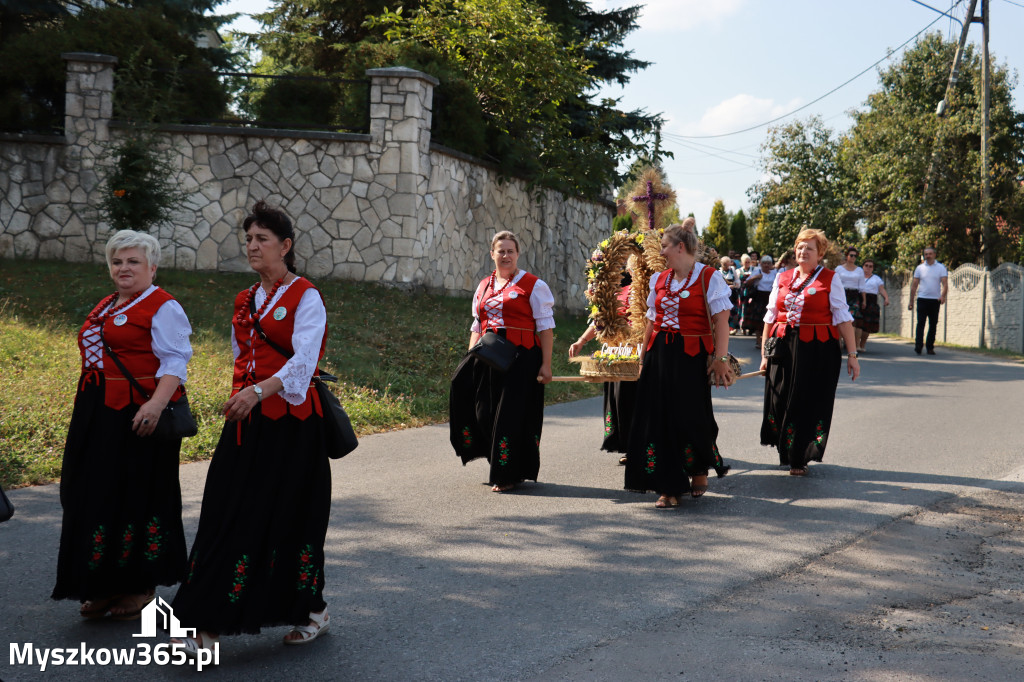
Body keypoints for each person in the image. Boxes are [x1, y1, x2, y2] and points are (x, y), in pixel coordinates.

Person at [171, 201, 332, 653]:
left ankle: (311, 609)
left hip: (293, 427)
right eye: (249, 239)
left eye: (262, 239)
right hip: (245, 424)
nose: (253, 246)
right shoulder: (245, 299)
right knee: (227, 513)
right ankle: (207, 621)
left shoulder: (307, 296)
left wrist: (258, 391)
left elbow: (305, 362)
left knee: (291, 518)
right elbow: (241, 355)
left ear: (286, 246)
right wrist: (246, 393)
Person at [52, 230, 192, 620]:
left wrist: (155, 404)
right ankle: (100, 584)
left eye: (133, 261)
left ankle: (139, 587)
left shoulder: (163, 306)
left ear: (152, 267)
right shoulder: (108, 304)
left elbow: (176, 360)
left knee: (137, 496)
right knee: (92, 493)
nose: (124, 268)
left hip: (138, 414)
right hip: (97, 411)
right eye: (117, 261)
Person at [625, 222, 732, 508]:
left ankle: (698, 468)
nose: (661, 252)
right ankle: (668, 486)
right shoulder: (659, 279)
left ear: (680, 247)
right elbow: (651, 319)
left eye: (665, 246)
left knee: (691, 415)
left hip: (691, 356)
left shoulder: (709, 277)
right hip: (660, 353)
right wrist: (643, 355)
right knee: (658, 417)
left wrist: (721, 358)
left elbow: (721, 321)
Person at [449, 231, 555, 493]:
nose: (506, 255)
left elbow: (545, 327)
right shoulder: (484, 285)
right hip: (488, 356)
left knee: (509, 416)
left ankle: (506, 474)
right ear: (492, 254)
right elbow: (477, 323)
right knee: (482, 411)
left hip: (522, 358)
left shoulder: (534, 285)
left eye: (510, 251)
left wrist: (546, 364)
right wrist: (471, 354)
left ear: (517, 254)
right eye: (501, 251)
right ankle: (501, 460)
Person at [759, 229, 860, 476]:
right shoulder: (782, 277)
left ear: (820, 253)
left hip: (816, 348)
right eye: (800, 247)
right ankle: (786, 448)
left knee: (805, 399)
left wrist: (852, 354)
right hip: (783, 346)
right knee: (779, 397)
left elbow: (842, 317)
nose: (803, 252)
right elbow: (770, 316)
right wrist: (764, 354)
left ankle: (798, 456)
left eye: (810, 248)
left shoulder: (829, 278)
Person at [569, 268, 636, 465]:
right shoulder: (618, 292)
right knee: (619, 400)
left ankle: (641, 447)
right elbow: (600, 319)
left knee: (636, 401)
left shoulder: (649, 290)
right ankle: (628, 446)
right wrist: (581, 341)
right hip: (617, 355)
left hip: (639, 355)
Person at [908, 246, 948, 355]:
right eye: (926, 254)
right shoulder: (920, 268)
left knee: (933, 324)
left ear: (934, 255)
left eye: (930, 254)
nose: (928, 256)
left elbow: (945, 284)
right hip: (922, 299)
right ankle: (918, 345)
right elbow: (914, 285)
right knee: (920, 323)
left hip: (935, 300)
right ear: (924, 256)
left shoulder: (941, 268)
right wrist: (911, 301)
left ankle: (930, 347)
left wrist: (943, 296)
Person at [855, 259, 889, 352]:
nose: (868, 268)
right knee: (858, 323)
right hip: (859, 299)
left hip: (872, 301)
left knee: (867, 325)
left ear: (873, 268)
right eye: (866, 265)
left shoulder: (876, 279)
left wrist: (886, 298)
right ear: (863, 266)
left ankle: (862, 345)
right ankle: (856, 345)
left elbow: (881, 289)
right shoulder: (858, 277)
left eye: (870, 266)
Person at [744, 255, 776, 348]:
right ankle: (758, 341)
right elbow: (747, 283)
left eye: (768, 263)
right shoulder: (757, 271)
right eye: (764, 263)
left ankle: (767, 341)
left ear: (771, 264)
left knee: (770, 320)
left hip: (770, 298)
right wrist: (756, 277)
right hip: (759, 298)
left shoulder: (774, 273)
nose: (766, 265)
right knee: (758, 321)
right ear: (761, 264)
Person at [835, 247, 867, 337]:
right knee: (841, 318)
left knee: (851, 319)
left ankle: (850, 342)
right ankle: (840, 341)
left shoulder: (859, 270)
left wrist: (864, 301)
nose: (853, 257)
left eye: (855, 256)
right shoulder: (839, 269)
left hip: (854, 295)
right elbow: (834, 283)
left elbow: (862, 286)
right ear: (847, 256)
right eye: (851, 255)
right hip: (841, 295)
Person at [718, 256, 741, 334]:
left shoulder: (732, 270)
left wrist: (734, 285)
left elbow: (737, 281)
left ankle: (734, 328)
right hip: (723, 295)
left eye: (727, 264)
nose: (725, 266)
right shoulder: (719, 272)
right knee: (726, 312)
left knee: (734, 311)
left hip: (733, 294)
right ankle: (727, 328)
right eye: (724, 264)